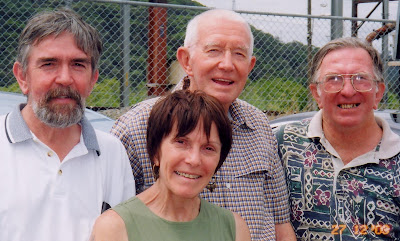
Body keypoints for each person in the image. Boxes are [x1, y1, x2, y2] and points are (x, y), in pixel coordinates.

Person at [111, 8, 295, 240]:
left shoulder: (259, 126)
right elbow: (114, 219)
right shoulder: (137, 126)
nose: (227, 64)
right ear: (186, 60)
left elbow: (280, 224)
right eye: (214, 50)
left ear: (250, 66)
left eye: (239, 54)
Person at [0, 8, 135, 241]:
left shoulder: (112, 152)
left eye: (78, 65)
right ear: (22, 76)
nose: (64, 78)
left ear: (93, 79)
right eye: (49, 64)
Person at [276, 37, 400, 240]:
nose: (348, 91)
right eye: (333, 79)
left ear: (378, 93)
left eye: (361, 78)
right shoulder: (282, 144)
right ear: (316, 93)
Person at [91, 90, 250, 240]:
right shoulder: (116, 227)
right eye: (181, 142)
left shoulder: (234, 229)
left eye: (208, 148)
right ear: (155, 151)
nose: (194, 160)